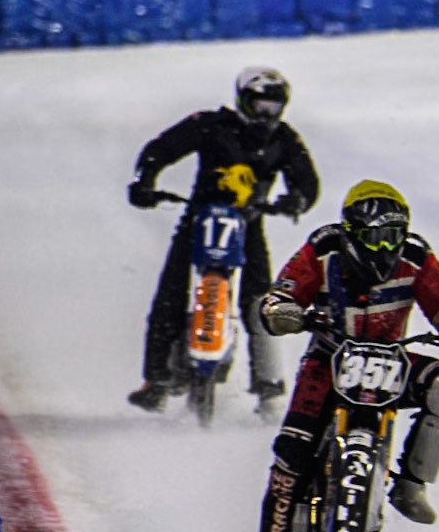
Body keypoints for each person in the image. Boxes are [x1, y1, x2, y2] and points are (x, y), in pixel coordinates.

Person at [241, 180, 439, 532]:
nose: (385, 249)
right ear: (351, 232)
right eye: (374, 238)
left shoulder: (417, 255)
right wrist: (283, 311)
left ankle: (410, 484)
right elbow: (281, 293)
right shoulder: (322, 247)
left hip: (394, 357)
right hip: (327, 362)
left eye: (393, 238)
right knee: (292, 451)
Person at [126, 67, 320, 417]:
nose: (265, 115)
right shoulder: (210, 124)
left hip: (249, 226)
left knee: (262, 303)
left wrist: (296, 200)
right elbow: (160, 149)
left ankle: (269, 389)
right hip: (200, 220)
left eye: (273, 107)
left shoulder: (285, 140)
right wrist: (145, 182)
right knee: (170, 296)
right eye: (259, 105)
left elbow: (308, 183)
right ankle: (156, 381)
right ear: (242, 100)